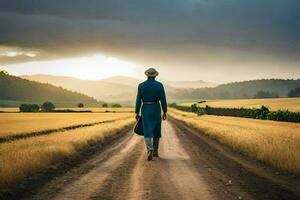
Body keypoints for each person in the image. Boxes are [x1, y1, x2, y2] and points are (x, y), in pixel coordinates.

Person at [135, 68, 167, 161]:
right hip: (156, 108)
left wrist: (137, 112)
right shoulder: (159, 85)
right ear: (155, 75)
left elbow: (138, 100)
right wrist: (165, 111)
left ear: (146, 75)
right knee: (156, 129)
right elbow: (163, 100)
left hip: (145, 108)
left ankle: (150, 150)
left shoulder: (141, 86)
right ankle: (156, 151)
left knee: (147, 130)